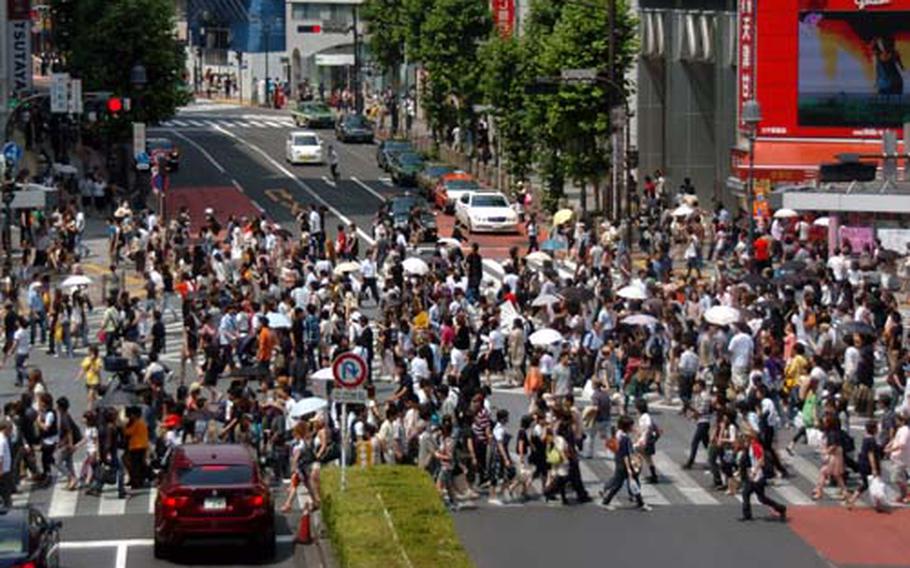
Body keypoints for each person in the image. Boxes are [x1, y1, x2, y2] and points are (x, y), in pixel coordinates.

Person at [599, 415, 651, 511]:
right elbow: (625, 455)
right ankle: (606, 501)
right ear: (627, 427)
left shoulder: (619, 434)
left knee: (628, 482)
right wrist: (628, 468)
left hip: (619, 460)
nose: (632, 427)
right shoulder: (625, 439)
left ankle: (640, 502)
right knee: (619, 484)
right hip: (623, 464)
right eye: (631, 426)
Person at [738, 430, 787, 522]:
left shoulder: (756, 446)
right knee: (753, 495)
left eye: (746, 437)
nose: (744, 439)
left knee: (758, 497)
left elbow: (761, 460)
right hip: (754, 475)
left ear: (751, 438)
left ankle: (781, 508)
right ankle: (747, 515)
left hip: (758, 476)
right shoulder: (751, 447)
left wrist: (755, 471)